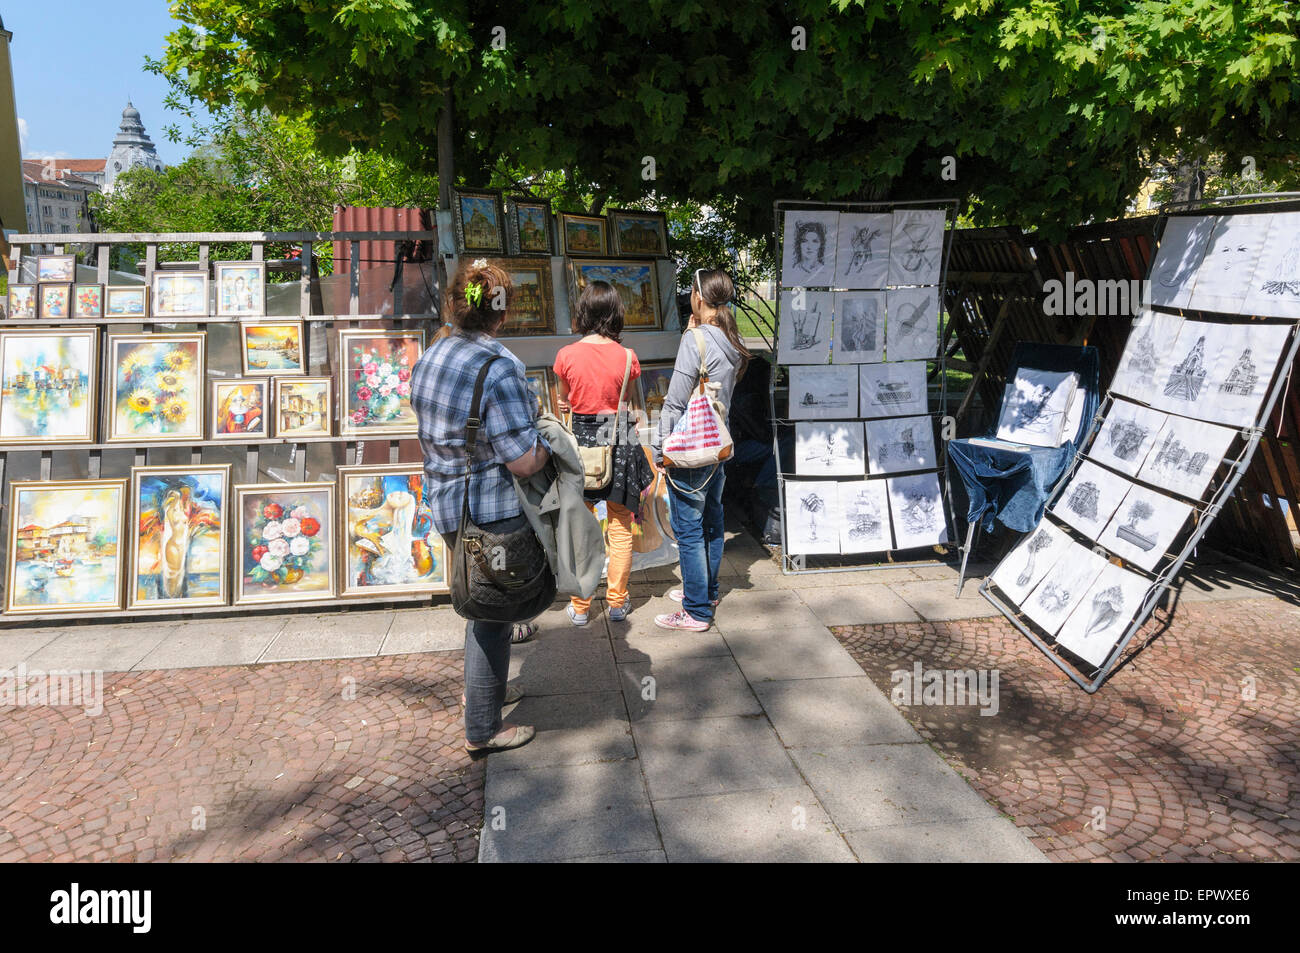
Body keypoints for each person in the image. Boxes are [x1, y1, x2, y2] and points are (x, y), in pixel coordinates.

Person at [410, 260, 551, 753]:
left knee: (481, 603)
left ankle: (486, 696)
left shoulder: (430, 356)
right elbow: (522, 461)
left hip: (447, 504)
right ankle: (484, 728)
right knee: (492, 612)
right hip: (489, 510)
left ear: (455, 303)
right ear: (502, 312)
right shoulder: (500, 367)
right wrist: (550, 445)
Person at [651, 268, 750, 631]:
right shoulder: (732, 340)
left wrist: (659, 447)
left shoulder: (696, 341)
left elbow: (675, 402)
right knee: (712, 522)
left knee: (689, 530)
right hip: (717, 445)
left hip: (691, 449)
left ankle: (696, 610)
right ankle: (705, 591)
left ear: (697, 296)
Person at [553, 281, 643, 626]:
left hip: (582, 444)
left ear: (584, 313)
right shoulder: (627, 356)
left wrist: (568, 402)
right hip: (618, 438)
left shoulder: (566, 355)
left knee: (582, 528)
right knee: (620, 525)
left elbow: (567, 399)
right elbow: (626, 401)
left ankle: (580, 606)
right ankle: (618, 603)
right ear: (615, 313)